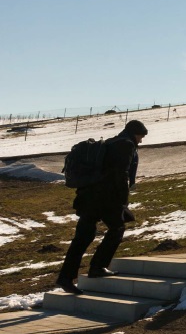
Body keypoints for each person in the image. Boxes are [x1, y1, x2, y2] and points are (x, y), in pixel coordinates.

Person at [56, 120, 147, 294]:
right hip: (106, 198)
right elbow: (121, 175)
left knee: (82, 238)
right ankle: (98, 266)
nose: (141, 140)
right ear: (134, 133)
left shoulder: (111, 142)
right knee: (117, 228)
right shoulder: (126, 145)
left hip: (88, 196)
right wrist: (123, 200)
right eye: (141, 136)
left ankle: (65, 277)